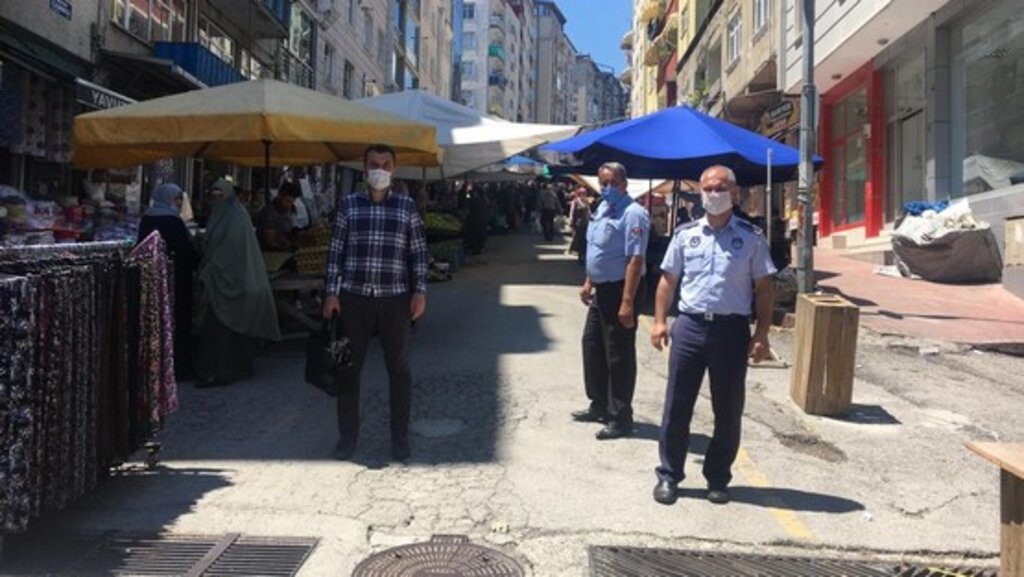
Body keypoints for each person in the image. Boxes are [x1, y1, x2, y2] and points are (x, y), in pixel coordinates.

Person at [649, 165, 775, 506]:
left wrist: (762, 333)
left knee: (728, 408)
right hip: (689, 326)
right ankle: (669, 476)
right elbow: (667, 281)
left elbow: (764, 287)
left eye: (719, 188)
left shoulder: (751, 238)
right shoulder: (685, 234)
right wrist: (660, 321)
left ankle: (718, 478)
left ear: (734, 193)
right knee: (677, 405)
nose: (713, 194)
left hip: (731, 330)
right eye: (707, 189)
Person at [322, 144, 429, 462]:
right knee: (348, 371)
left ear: (393, 169)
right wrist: (331, 292)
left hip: (395, 299)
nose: (379, 169)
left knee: (398, 370)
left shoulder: (407, 207)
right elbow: (335, 252)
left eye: (385, 164)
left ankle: (399, 440)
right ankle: (347, 439)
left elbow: (418, 253)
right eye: (373, 164)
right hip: (354, 298)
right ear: (364, 168)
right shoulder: (349, 205)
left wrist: (419, 291)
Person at [573, 162, 650, 440]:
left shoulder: (634, 214)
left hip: (621, 290)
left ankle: (621, 416)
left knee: (618, 354)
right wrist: (588, 281)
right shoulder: (602, 209)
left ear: (624, 184)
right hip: (601, 290)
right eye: (603, 183)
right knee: (592, 344)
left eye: (613, 183)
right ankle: (599, 404)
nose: (607, 188)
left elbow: (635, 259)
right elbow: (597, 249)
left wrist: (627, 302)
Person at [196, 178, 281, 388]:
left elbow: (231, 251)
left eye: (220, 195)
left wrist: (210, 264)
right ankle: (219, 370)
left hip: (234, 281)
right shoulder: (224, 215)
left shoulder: (236, 217)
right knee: (217, 329)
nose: (217, 199)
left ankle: (225, 371)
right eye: (214, 195)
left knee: (223, 330)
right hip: (221, 282)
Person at [138, 182, 199, 380]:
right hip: (177, 280)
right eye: (176, 199)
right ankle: (179, 366)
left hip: (152, 278)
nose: (180, 203)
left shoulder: (147, 220)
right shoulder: (173, 222)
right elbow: (185, 252)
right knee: (178, 320)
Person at [568, 187, 591, 262]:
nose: (584, 195)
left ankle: (583, 254)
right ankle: (580, 255)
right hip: (578, 223)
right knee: (579, 239)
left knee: (585, 239)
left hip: (586, 223)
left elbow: (589, 212)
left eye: (585, 193)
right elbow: (572, 212)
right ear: (579, 194)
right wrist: (571, 222)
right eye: (582, 193)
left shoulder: (586, 201)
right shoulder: (575, 201)